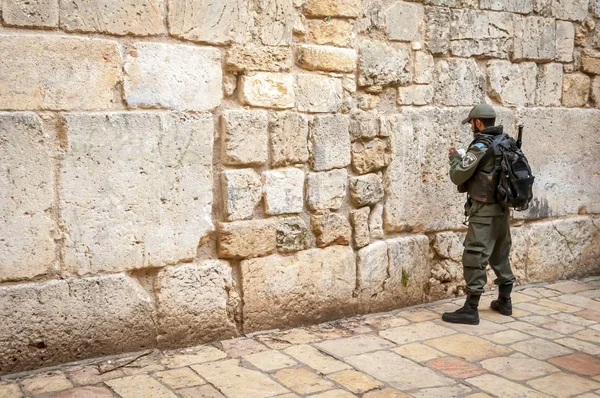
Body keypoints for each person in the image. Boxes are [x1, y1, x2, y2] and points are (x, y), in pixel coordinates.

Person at [442, 103, 516, 325]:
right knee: (500, 252)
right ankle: (505, 300)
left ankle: (470, 309)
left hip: (484, 209)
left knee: (475, 255)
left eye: (472, 123)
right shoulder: (506, 141)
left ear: (478, 122)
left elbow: (458, 176)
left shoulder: (481, 145)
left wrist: (455, 158)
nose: (472, 127)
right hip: (503, 207)